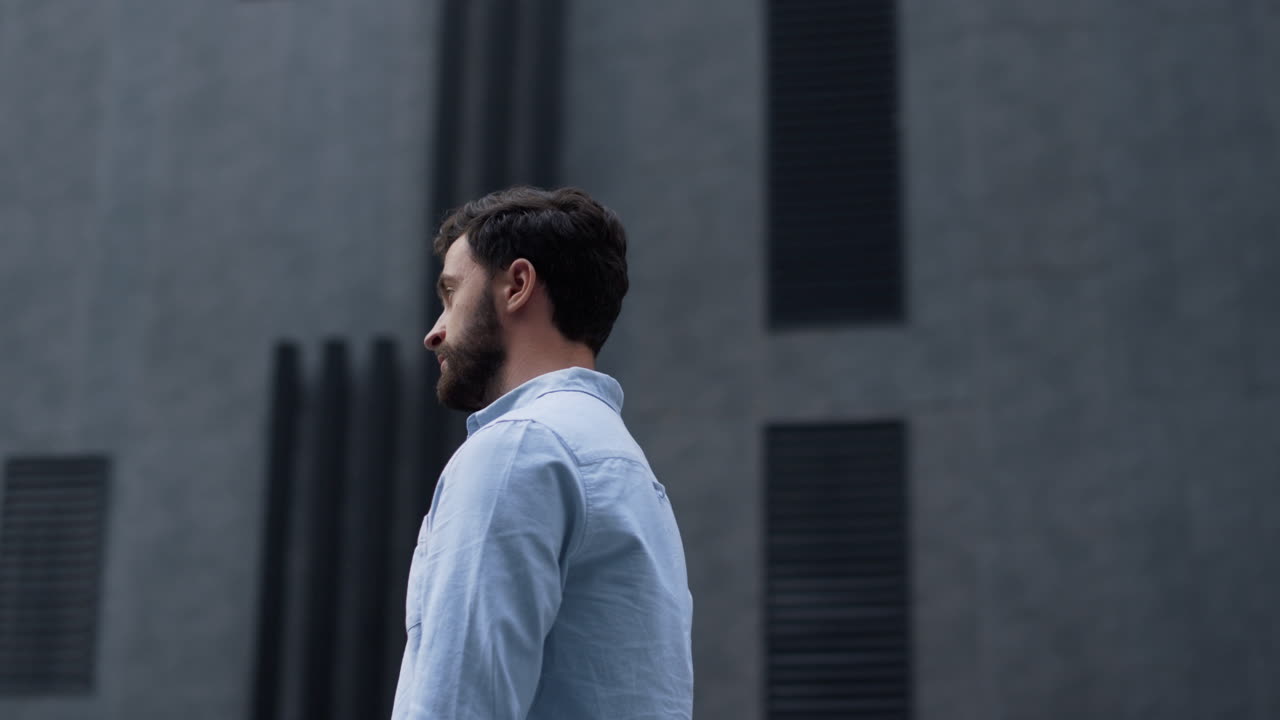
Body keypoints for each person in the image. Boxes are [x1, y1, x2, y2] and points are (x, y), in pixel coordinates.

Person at [390, 186, 694, 719]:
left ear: (518, 285)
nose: (433, 333)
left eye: (451, 295)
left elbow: (462, 703)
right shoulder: (629, 472)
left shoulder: (516, 450)